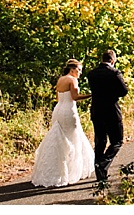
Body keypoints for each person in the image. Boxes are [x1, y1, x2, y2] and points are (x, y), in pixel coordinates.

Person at [30, 59, 95, 187]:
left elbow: (58, 97)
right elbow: (75, 97)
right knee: (71, 138)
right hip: (68, 111)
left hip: (58, 110)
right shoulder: (72, 80)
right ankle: (69, 171)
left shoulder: (60, 79)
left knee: (60, 138)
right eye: (79, 70)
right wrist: (91, 95)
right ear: (72, 69)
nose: (80, 73)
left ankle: (57, 170)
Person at [84, 49, 128, 182]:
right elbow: (123, 91)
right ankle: (102, 164)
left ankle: (99, 171)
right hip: (111, 111)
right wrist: (113, 93)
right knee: (117, 140)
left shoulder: (92, 74)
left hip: (97, 110)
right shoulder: (114, 73)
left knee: (100, 141)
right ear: (113, 60)